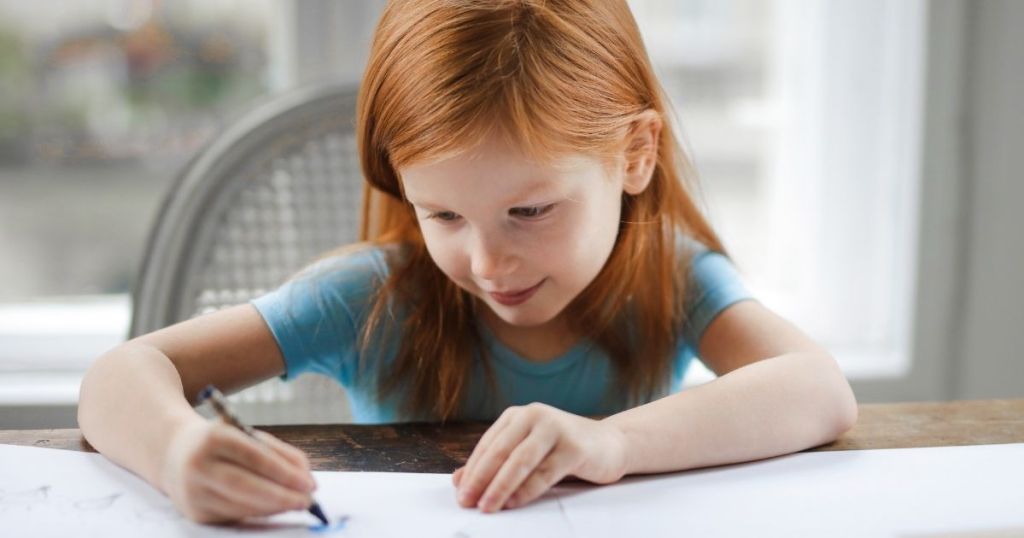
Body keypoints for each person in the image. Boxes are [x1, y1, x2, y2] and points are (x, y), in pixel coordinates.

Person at [78, 0, 858, 524]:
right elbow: (120, 375)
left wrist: (613, 443)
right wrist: (177, 451)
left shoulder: (671, 277)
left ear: (635, 152)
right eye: (443, 214)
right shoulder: (370, 298)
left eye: (530, 211)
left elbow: (819, 391)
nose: (487, 262)